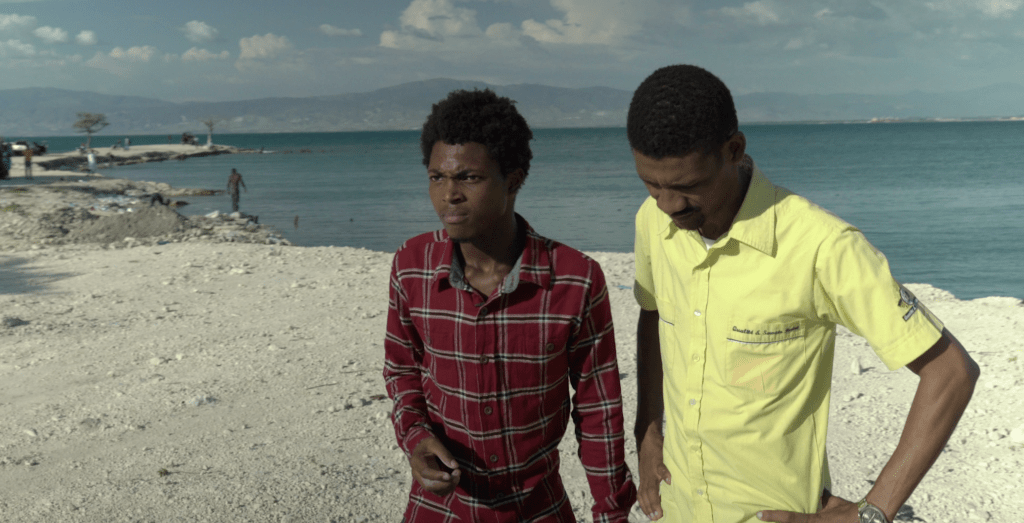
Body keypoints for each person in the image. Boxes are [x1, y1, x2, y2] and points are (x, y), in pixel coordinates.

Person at [628, 65, 979, 523]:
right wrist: (647, 429)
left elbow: (951, 371)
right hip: (676, 509)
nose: (668, 204)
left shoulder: (823, 247)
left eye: (687, 186)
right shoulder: (651, 222)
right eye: (651, 183)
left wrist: (870, 513)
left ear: (734, 150)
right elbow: (654, 312)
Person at [383, 89, 637, 522]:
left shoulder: (575, 279)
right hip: (440, 509)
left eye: (469, 178)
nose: (449, 195)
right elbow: (402, 368)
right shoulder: (412, 265)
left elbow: (598, 408)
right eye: (436, 177)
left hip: (537, 508)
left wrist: (610, 512)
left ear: (514, 180)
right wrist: (416, 438)